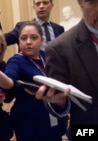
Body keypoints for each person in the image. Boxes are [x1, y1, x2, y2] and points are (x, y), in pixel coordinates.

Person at [0, 21, 67, 141]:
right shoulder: (16, 60)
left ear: (41, 40)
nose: (28, 42)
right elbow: (8, 82)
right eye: (24, 38)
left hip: (52, 115)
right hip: (29, 120)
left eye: (34, 37)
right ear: (19, 42)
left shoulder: (45, 56)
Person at [35, 0, 98, 140]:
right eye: (93, 2)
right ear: (81, 3)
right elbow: (58, 100)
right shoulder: (60, 48)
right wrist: (59, 101)